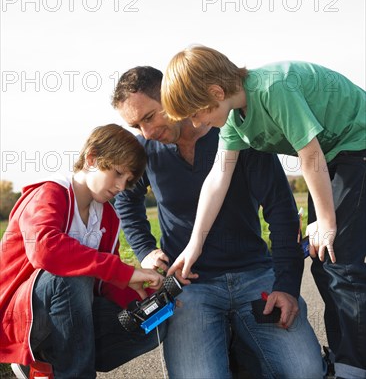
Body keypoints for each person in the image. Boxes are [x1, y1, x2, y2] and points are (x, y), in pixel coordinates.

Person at [161, 45, 366, 379]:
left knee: (341, 262)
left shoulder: (272, 88)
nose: (196, 123)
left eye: (196, 113)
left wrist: (326, 221)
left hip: (357, 144)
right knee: (324, 261)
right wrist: (194, 244)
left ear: (216, 92)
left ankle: (355, 368)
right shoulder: (233, 121)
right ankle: (346, 361)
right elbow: (218, 178)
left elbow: (309, 155)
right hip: (332, 157)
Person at [112, 66, 325, 379]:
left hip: (255, 275)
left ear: (170, 97)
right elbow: (125, 202)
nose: (146, 132)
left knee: (305, 372)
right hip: (189, 286)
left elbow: (280, 209)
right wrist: (144, 249)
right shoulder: (144, 151)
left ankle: (240, 347)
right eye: (135, 124)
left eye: (149, 117)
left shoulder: (236, 131)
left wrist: (287, 286)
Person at [0, 124, 167, 379]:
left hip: (72, 318)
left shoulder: (108, 218)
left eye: (129, 180)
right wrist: (122, 271)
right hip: (19, 317)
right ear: (92, 159)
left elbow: (103, 282)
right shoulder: (48, 193)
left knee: (151, 321)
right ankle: (61, 367)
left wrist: (146, 294)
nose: (122, 186)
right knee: (69, 274)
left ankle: (49, 365)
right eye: (118, 173)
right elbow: (46, 250)